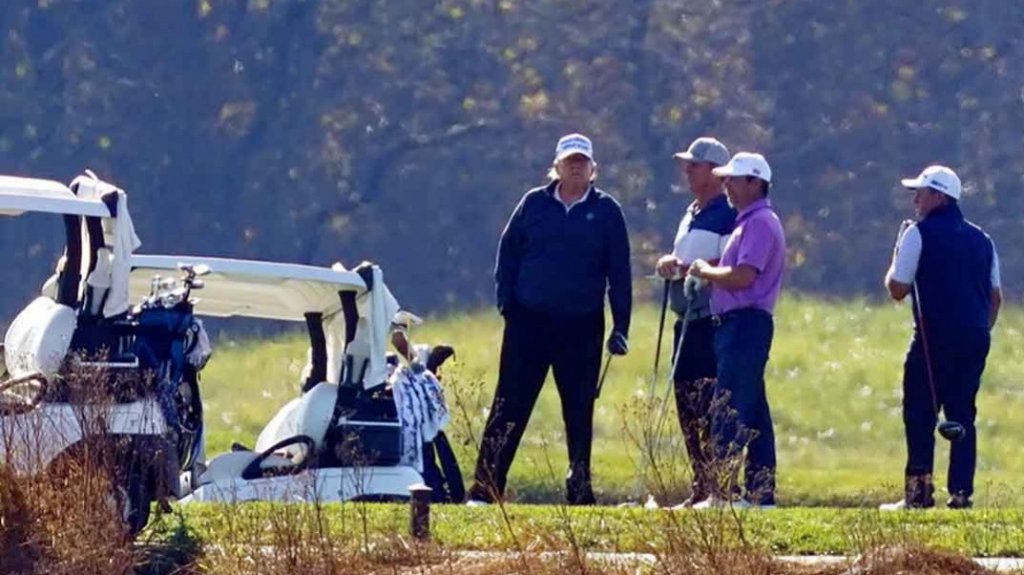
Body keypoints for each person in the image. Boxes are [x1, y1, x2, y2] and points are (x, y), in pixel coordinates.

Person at [467, 133, 632, 506]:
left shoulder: (607, 211)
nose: (576, 167)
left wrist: (621, 325)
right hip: (529, 323)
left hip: (582, 326)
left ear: (593, 170)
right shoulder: (533, 204)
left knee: (578, 409)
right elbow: (507, 256)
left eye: (582, 162)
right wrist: (507, 306)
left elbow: (619, 272)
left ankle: (579, 490)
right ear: (556, 167)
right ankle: (485, 488)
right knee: (510, 404)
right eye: (569, 161)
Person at [881, 165, 1002, 510]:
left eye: (921, 192)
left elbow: (898, 288)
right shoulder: (983, 239)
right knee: (962, 414)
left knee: (920, 413)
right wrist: (979, 332)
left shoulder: (917, 234)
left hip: (933, 339)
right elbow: (995, 298)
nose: (915, 199)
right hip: (976, 337)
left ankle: (918, 496)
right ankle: (961, 494)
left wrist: (896, 252)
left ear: (939, 197)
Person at [687, 151, 785, 509]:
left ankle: (724, 493)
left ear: (755, 183)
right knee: (754, 409)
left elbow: (744, 275)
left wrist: (704, 272)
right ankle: (761, 494)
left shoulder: (759, 222)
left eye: (733, 179)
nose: (726, 184)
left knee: (730, 407)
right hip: (739, 325)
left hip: (745, 323)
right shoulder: (747, 221)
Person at [654, 137, 736, 507]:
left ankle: (720, 487)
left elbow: (730, 264)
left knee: (708, 403)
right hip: (684, 320)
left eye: (695, 165)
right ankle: (700, 486)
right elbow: (683, 257)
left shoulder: (728, 214)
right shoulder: (691, 212)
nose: (687, 170)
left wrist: (695, 270)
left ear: (716, 173)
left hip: (710, 321)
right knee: (686, 403)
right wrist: (666, 264)